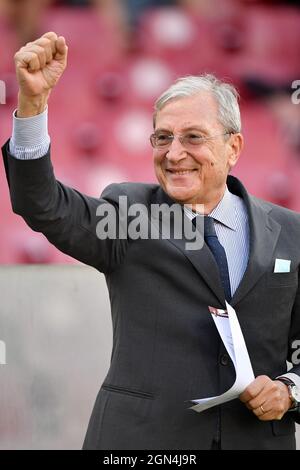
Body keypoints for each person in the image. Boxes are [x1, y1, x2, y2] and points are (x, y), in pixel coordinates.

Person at [2, 32, 300, 450]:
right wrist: (32, 107)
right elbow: (43, 205)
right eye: (163, 138)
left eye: (193, 137)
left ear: (233, 147)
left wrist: (290, 389)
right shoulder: (129, 213)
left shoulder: (291, 231)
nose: (174, 153)